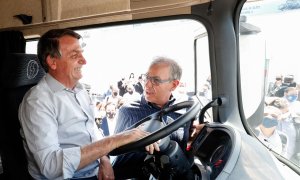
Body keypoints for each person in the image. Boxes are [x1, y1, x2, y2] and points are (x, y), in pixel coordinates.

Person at [18, 28, 157, 180]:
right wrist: (115, 140)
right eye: (74, 55)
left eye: (82, 53)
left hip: (94, 169)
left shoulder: (79, 89)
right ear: (52, 61)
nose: (84, 61)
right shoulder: (37, 102)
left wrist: (104, 158)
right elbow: (51, 166)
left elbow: (91, 130)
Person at [113, 56, 202, 179]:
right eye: (147, 78)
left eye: (155, 80)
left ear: (174, 85)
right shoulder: (128, 111)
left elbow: (188, 137)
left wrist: (198, 133)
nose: (147, 85)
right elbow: (114, 147)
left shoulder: (186, 110)